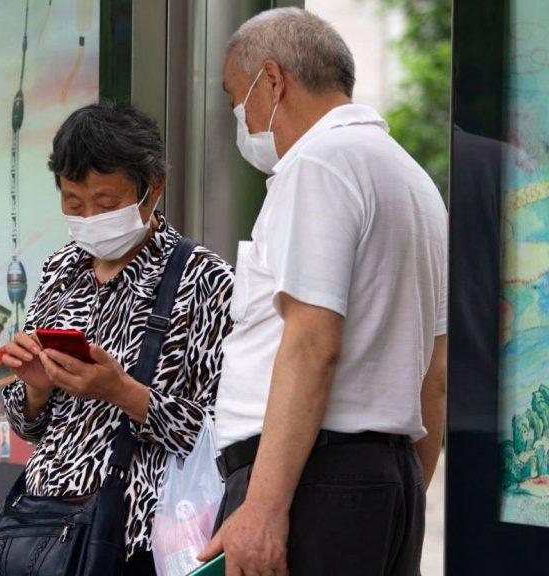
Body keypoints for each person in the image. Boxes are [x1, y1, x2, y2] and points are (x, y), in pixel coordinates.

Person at [199, 8, 448, 576]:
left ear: (273, 79)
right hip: (385, 481)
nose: (239, 117)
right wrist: (398, 496)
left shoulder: (317, 164)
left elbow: (312, 342)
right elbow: (435, 375)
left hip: (309, 481)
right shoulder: (413, 180)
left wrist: (264, 508)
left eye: (236, 99)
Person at [1, 101, 233, 575]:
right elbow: (29, 427)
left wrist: (122, 392)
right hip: (40, 526)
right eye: (73, 204)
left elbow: (220, 436)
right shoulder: (61, 268)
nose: (89, 217)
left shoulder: (204, 279)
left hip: (132, 539)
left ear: (153, 189)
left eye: (106, 204)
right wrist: (35, 388)